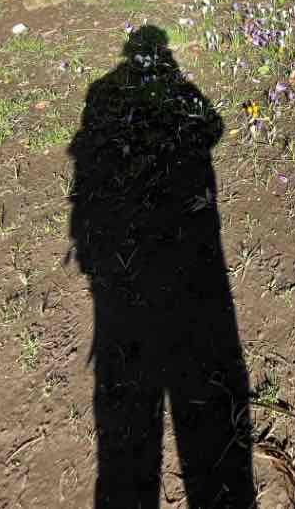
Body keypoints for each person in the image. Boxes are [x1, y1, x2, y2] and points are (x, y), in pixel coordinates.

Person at [68, 26, 255, 508]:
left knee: (128, 397)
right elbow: (213, 127)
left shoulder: (103, 91)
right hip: (179, 250)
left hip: (123, 266)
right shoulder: (169, 88)